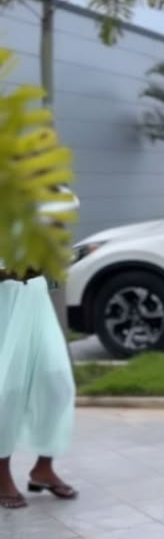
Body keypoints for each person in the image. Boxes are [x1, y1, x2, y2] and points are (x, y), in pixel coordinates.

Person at [0, 187, 79, 510]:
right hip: (4, 304)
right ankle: (2, 475)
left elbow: (68, 201)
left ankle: (43, 468)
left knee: (57, 381)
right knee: (8, 390)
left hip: (34, 299)